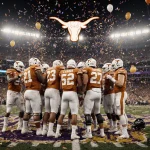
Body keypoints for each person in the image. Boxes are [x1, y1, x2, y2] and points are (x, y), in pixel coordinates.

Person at [55, 59, 82, 140]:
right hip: (72, 93)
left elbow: (60, 87)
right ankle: (73, 133)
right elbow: (80, 84)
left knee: (62, 114)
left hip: (64, 94)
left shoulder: (62, 72)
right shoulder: (76, 70)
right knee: (74, 113)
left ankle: (57, 132)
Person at [21, 57, 45, 135]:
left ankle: (24, 129)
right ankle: (38, 130)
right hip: (34, 92)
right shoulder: (35, 68)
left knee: (27, 112)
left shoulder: (25, 70)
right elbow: (42, 80)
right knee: (36, 113)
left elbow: (23, 81)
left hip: (27, 91)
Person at [106, 58, 129, 138]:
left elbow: (120, 83)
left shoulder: (121, 71)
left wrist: (111, 78)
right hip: (117, 93)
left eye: (113, 65)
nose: (112, 67)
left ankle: (125, 133)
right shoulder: (117, 71)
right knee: (119, 112)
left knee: (120, 113)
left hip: (120, 93)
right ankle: (121, 129)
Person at [82, 58, 105, 138]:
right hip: (98, 91)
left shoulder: (87, 69)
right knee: (97, 112)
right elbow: (102, 83)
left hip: (91, 90)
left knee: (87, 113)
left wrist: (83, 91)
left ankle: (89, 133)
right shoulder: (100, 70)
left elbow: (85, 82)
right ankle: (102, 132)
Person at [42, 60, 64, 136]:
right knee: (54, 111)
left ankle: (44, 129)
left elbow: (44, 81)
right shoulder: (60, 69)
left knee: (47, 111)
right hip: (54, 90)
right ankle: (50, 131)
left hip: (47, 90)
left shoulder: (48, 69)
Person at [2, 61, 25, 132]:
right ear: (16, 66)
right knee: (8, 111)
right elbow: (9, 80)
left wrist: (22, 88)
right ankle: (5, 126)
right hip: (11, 92)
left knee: (22, 110)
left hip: (18, 93)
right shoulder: (11, 71)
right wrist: (17, 77)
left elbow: (22, 83)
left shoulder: (21, 73)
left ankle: (19, 125)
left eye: (22, 67)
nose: (22, 68)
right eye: (21, 67)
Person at [102, 63, 117, 132]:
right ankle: (111, 124)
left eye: (104, 68)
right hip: (105, 93)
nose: (103, 70)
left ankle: (115, 125)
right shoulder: (104, 75)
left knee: (111, 110)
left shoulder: (110, 73)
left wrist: (111, 86)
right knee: (106, 110)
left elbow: (112, 83)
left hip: (110, 94)